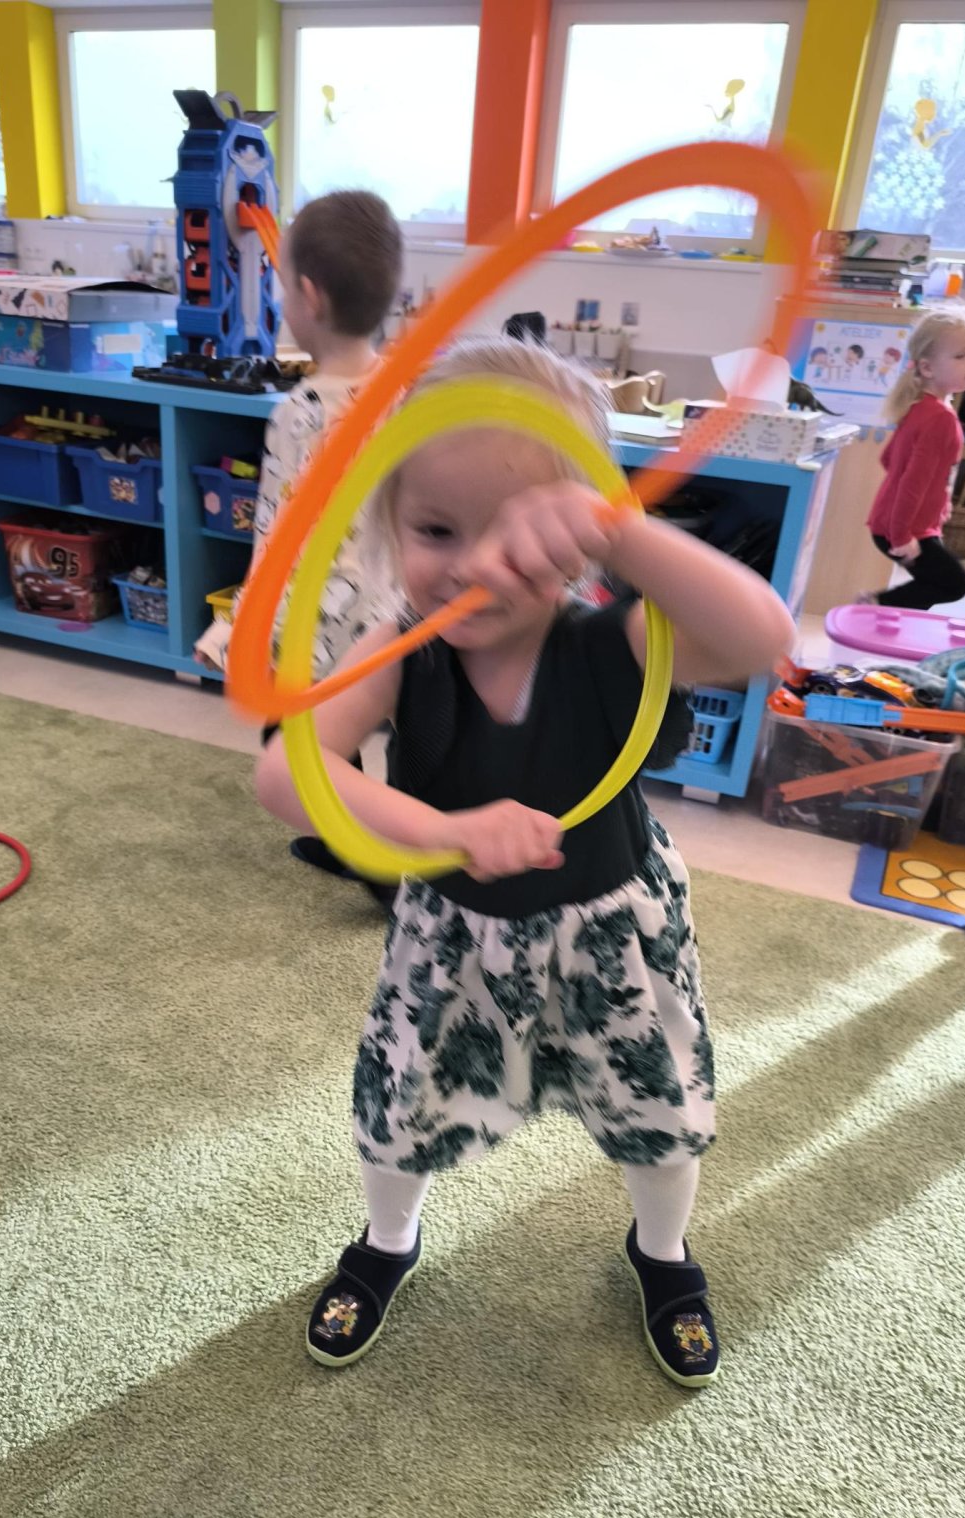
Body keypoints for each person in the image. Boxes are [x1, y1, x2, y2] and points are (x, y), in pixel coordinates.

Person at [256, 339, 795, 1387]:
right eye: (436, 530)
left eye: (517, 531)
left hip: (612, 935)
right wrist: (443, 828)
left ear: (581, 536)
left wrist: (624, 531)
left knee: (660, 1115)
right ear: (390, 526)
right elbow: (287, 775)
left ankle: (662, 1251)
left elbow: (759, 635)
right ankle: (389, 1238)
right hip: (453, 934)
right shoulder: (400, 647)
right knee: (399, 1104)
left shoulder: (616, 641)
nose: (473, 566)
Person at [196, 189, 403, 894]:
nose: (284, 301)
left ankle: (372, 858)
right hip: (394, 615)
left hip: (318, 621)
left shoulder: (300, 413)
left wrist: (235, 627)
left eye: (284, 287)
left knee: (293, 743)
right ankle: (368, 839)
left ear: (309, 297)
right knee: (359, 735)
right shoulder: (408, 392)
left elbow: (277, 536)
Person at [863, 307, 965, 611]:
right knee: (954, 583)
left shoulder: (919, 408)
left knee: (931, 585)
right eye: (961, 355)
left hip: (900, 524)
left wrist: (939, 501)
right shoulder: (940, 418)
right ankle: (874, 605)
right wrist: (902, 536)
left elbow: (889, 459)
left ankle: (885, 615)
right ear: (927, 368)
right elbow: (912, 482)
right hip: (902, 529)